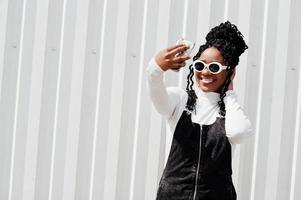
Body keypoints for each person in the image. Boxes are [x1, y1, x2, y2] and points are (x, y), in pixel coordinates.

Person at [146, 21, 253, 200]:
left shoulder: (230, 111)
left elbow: (239, 133)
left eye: (214, 67)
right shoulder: (180, 100)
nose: (205, 72)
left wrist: (230, 93)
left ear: (230, 72)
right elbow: (158, 99)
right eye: (200, 65)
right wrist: (155, 68)